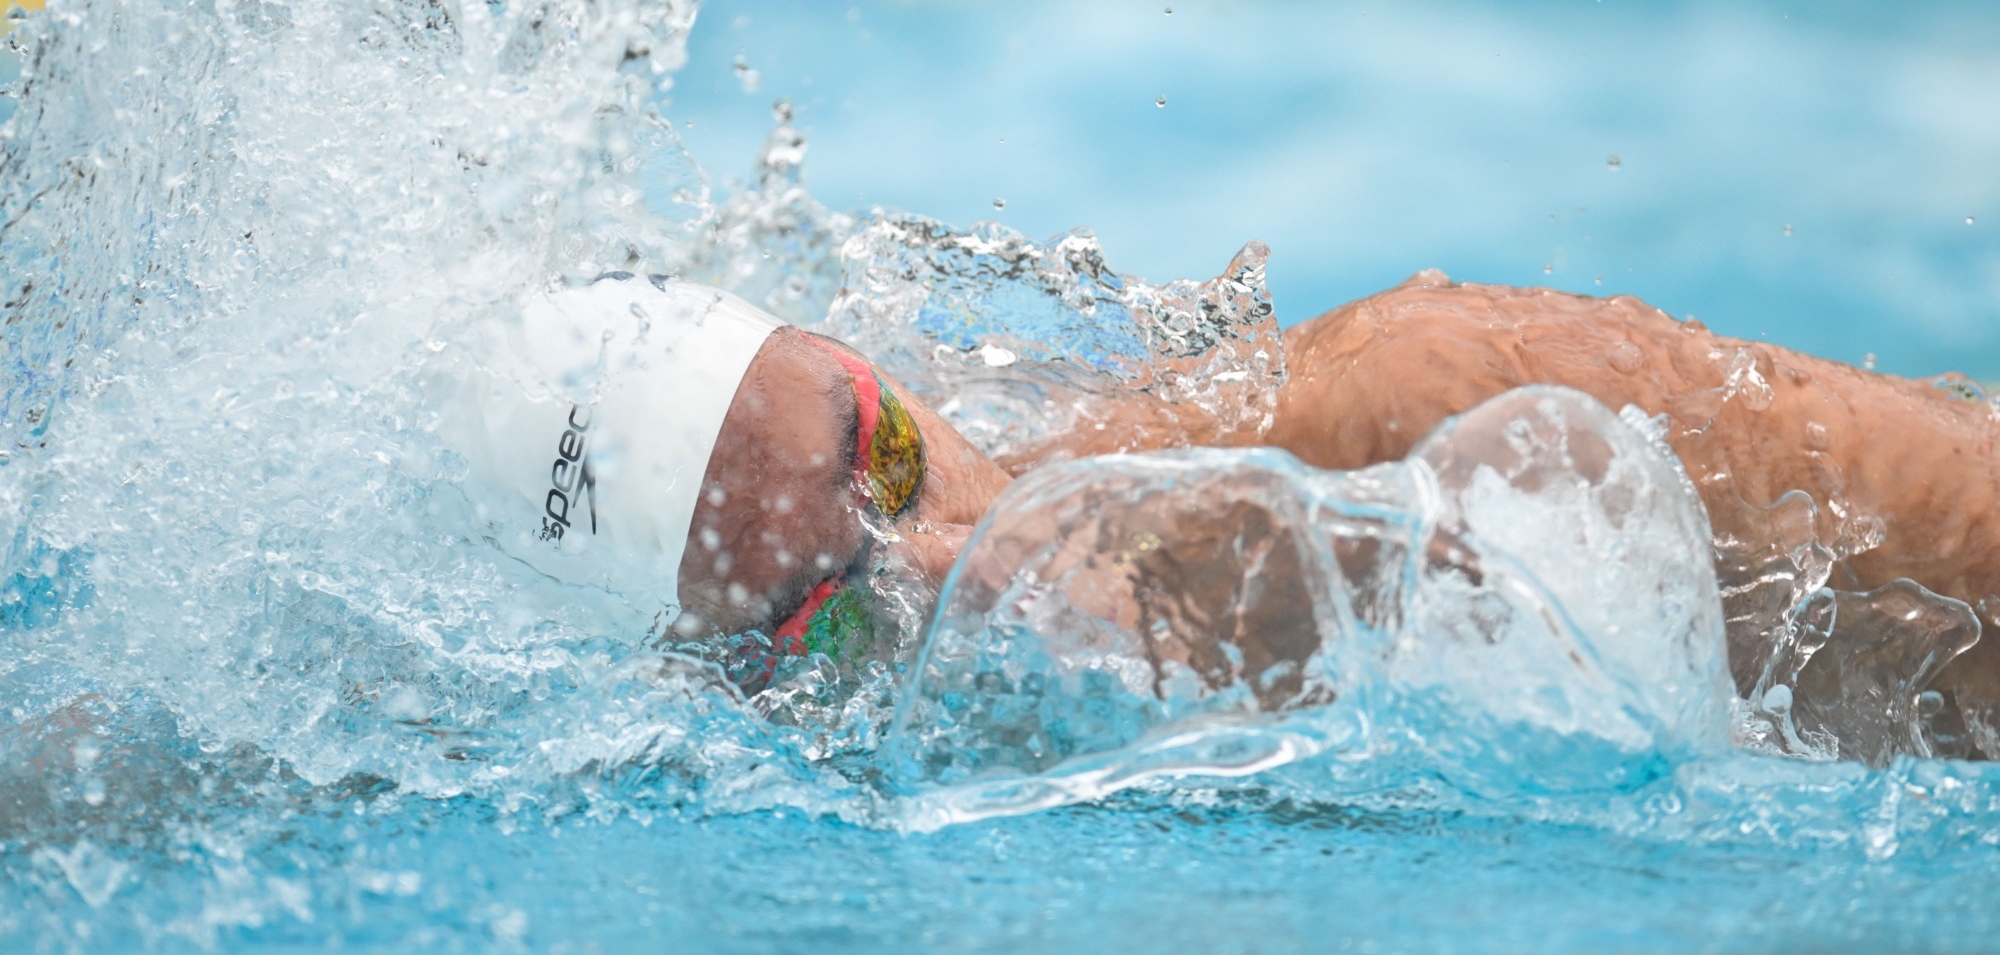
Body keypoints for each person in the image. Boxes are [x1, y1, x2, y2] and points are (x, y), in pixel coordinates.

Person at [437, 270, 2000, 754]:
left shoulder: (1408, 409)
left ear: (885, 373)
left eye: (893, 464)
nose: (943, 560)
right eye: (836, 604)